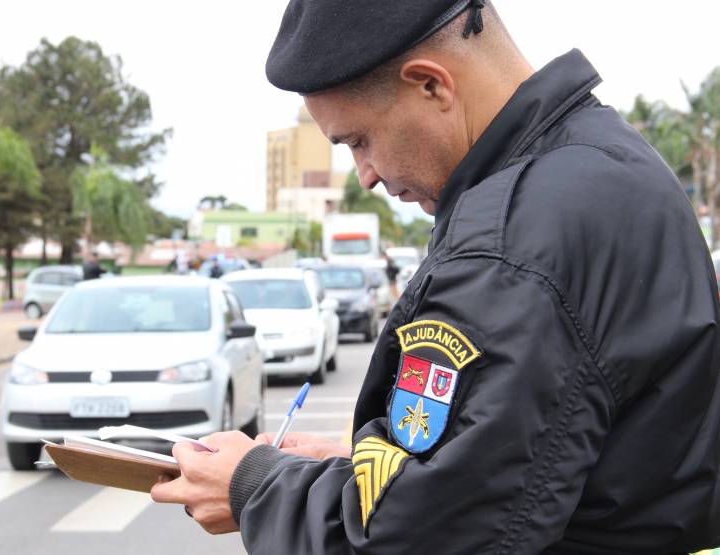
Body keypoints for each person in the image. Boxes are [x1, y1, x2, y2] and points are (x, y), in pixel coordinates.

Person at [150, 1, 720, 553]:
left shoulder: (509, 245)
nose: (366, 175)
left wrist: (255, 486)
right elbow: (522, 466)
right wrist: (353, 473)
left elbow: (424, 536)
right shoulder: (603, 159)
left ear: (431, 84)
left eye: (358, 140)